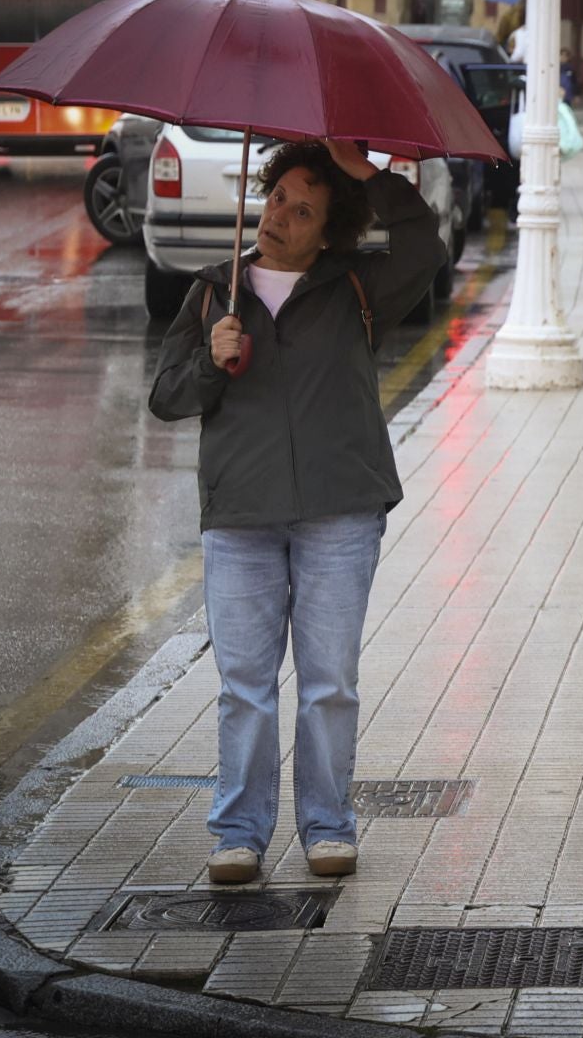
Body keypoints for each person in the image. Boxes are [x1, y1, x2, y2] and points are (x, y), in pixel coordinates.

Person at [149, 139, 447, 886]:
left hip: (338, 511)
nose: (281, 214)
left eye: (304, 208)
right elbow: (166, 398)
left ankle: (327, 826)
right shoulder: (216, 291)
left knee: (328, 682)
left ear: (328, 228)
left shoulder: (357, 289)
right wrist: (209, 362)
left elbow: (423, 240)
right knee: (244, 685)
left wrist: (365, 173)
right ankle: (240, 833)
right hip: (241, 515)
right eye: (278, 196)